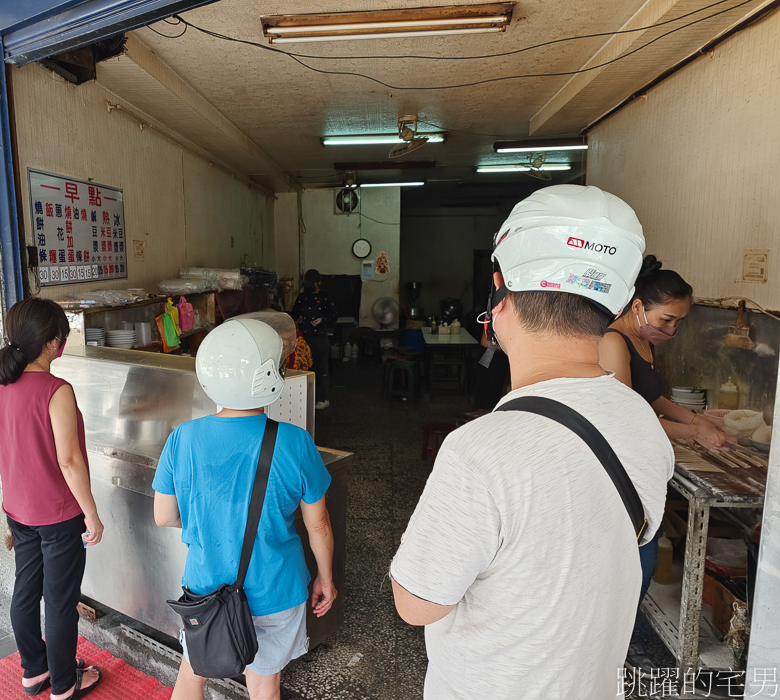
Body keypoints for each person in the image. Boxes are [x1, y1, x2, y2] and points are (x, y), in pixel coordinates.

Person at [389, 185, 674, 699]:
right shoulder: (640, 419)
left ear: (498, 293)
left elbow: (416, 605)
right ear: (617, 305)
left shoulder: (479, 450)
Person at [153, 314, 337, 700]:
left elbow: (164, 516)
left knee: (191, 673)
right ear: (269, 378)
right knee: (264, 685)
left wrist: (214, 521)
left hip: (206, 590)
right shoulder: (295, 442)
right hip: (276, 590)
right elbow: (318, 525)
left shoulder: (182, 438)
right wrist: (325, 578)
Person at [0, 298, 103, 700]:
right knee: (59, 602)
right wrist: (92, 515)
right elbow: (69, 461)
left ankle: (34, 672)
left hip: (18, 510)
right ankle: (65, 685)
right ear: (54, 343)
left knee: (25, 590)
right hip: (57, 516)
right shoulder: (56, 391)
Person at [598, 256, 733, 607]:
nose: (672, 329)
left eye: (680, 322)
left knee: (644, 556)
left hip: (641, 465)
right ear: (638, 306)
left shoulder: (644, 339)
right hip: (618, 469)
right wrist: (693, 435)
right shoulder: (614, 342)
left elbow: (654, 398)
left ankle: (622, 629)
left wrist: (696, 420)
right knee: (633, 563)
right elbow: (628, 417)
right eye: (667, 319)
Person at [290, 269, 337, 409]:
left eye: (313, 284)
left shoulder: (325, 297)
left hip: (320, 338)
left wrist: (322, 320)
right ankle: (306, 399)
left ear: (319, 283)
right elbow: (294, 315)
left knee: (322, 368)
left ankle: (324, 399)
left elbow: (334, 315)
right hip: (304, 339)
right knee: (306, 369)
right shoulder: (302, 297)